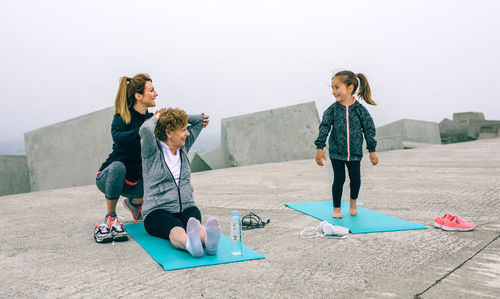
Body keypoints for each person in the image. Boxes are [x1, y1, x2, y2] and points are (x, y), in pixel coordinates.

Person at [139, 108, 220, 257]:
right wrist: (158, 118)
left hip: (186, 206)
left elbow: (199, 121)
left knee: (193, 222)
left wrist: (179, 118)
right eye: (183, 129)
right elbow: (145, 129)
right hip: (158, 210)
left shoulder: (183, 146)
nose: (187, 133)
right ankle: (190, 245)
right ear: (169, 132)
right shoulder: (152, 151)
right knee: (174, 227)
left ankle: (209, 242)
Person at [94, 74, 157, 243]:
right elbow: (119, 139)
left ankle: (135, 203)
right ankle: (111, 216)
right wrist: (146, 128)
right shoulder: (122, 117)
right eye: (151, 90)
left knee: (156, 170)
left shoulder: (151, 119)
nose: (156, 94)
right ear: (138, 96)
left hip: (134, 182)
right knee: (118, 167)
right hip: (109, 177)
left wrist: (196, 121)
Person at [314, 70, 379, 219]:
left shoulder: (360, 110)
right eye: (332, 87)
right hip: (337, 152)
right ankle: (337, 208)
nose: (333, 91)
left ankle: (353, 203)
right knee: (339, 179)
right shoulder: (332, 110)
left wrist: (372, 151)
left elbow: (369, 130)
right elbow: (324, 127)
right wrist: (319, 147)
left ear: (350, 88)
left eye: (337, 87)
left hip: (355, 153)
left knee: (356, 179)